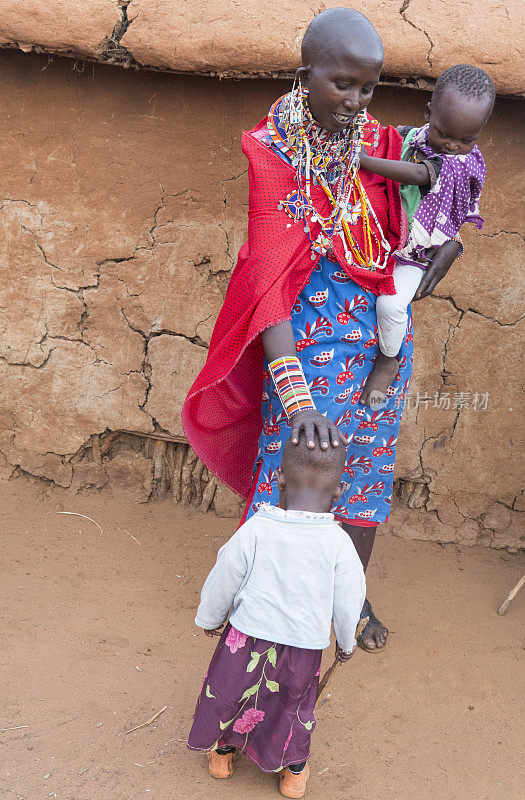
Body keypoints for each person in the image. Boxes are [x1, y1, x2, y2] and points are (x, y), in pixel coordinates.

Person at [182, 8, 461, 651]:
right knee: (293, 475)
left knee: (365, 470)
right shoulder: (274, 152)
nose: (356, 100)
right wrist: (299, 397)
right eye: (342, 84)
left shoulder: (384, 145)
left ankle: (349, 601)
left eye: (368, 87)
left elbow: (444, 189)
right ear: (304, 75)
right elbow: (268, 283)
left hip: (380, 343)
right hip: (308, 350)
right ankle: (258, 609)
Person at [187, 436, 366, 798]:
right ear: (341, 489)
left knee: (231, 694)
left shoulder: (256, 529)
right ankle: (294, 774)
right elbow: (350, 601)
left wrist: (210, 618)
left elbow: (225, 574)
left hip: (245, 639)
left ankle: (222, 754)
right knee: (293, 706)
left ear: (279, 479)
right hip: (303, 649)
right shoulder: (339, 544)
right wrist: (346, 644)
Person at [359, 64, 495, 404]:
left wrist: (364, 161)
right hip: (389, 242)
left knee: (390, 305)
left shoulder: (456, 163)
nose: (452, 145)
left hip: (417, 254)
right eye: (445, 133)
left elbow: (417, 173)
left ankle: (388, 359)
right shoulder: (418, 137)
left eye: (467, 139)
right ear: (429, 113)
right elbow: (401, 139)